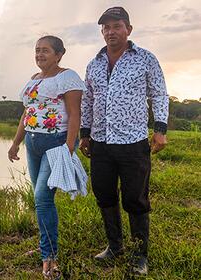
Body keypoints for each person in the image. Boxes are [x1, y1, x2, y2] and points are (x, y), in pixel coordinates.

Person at [80, 7, 169, 276]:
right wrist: (85, 134)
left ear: (128, 29)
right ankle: (114, 246)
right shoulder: (94, 63)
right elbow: (88, 100)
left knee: (135, 198)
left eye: (116, 26)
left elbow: (159, 93)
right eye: (106, 28)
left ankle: (140, 255)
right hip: (101, 142)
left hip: (133, 142)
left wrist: (160, 128)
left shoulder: (145, 59)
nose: (110, 32)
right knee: (104, 195)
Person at [8, 35, 86, 279]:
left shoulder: (68, 77)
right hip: (32, 142)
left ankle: (49, 257)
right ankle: (46, 247)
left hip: (55, 143)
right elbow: (27, 114)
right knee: (38, 198)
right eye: (37, 50)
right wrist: (15, 143)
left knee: (43, 199)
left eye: (45, 51)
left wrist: (69, 147)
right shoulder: (34, 80)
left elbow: (75, 115)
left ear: (59, 54)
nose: (40, 55)